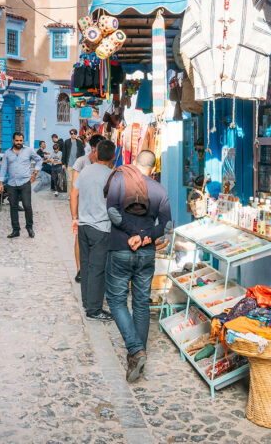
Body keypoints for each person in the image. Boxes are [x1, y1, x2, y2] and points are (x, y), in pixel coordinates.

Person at [104, 150, 172, 382]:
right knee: (141, 302)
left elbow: (112, 211)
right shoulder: (160, 190)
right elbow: (166, 225)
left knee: (116, 300)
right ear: (153, 168)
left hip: (121, 249)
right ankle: (138, 355)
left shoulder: (120, 179)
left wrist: (133, 233)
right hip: (146, 252)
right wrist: (145, 236)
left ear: (134, 163)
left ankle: (135, 350)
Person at [71, 140, 116, 321]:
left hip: (84, 225)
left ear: (96, 154)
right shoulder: (112, 175)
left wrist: (75, 217)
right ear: (113, 157)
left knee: (86, 266)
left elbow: (74, 194)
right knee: (97, 269)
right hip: (101, 227)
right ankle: (94, 309)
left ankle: (87, 302)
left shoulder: (86, 170)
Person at [70, 134, 104, 282]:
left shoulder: (105, 162)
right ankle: (80, 269)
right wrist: (74, 216)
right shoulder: (81, 162)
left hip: (99, 206)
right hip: (83, 206)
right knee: (79, 238)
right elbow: (74, 190)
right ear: (94, 148)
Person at [0, 132, 42, 238]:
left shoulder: (28, 151)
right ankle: (16, 230)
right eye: (17, 140)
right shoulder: (7, 153)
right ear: (13, 141)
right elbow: (3, 168)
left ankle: (29, 227)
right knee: (13, 207)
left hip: (25, 183)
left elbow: (39, 160)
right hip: (11, 184)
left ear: (23, 141)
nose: (19, 142)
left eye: (21, 141)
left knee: (27, 205)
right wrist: (0, 183)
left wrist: (35, 173)